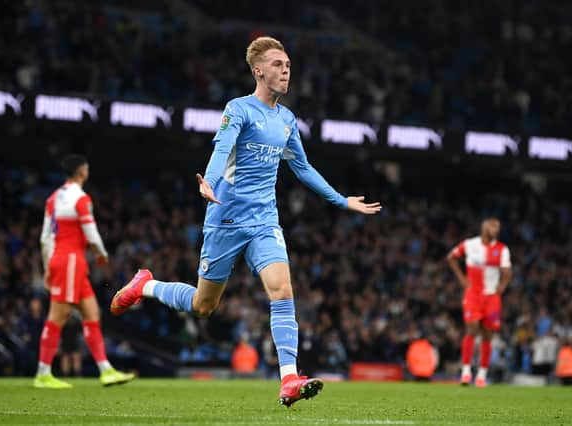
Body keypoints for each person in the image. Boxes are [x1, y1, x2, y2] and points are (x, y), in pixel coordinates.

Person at [111, 36, 381, 406]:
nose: (285, 70)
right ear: (258, 70)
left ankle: (289, 379)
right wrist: (209, 180)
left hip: (264, 220)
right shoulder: (239, 109)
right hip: (225, 218)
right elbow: (222, 147)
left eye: (287, 64)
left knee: (282, 290)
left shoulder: (286, 119)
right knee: (204, 306)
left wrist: (341, 200)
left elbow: (301, 167)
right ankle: (146, 286)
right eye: (276, 64)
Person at [35, 154, 135, 388]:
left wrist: (48, 266)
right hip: (71, 261)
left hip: (64, 261)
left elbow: (44, 238)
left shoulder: (53, 198)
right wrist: (102, 254)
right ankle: (42, 373)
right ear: (82, 172)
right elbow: (91, 233)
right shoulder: (81, 199)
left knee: (92, 314)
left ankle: (106, 370)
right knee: (58, 316)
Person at [447, 217, 512, 387]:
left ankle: (482, 374)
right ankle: (466, 371)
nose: (495, 230)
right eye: (492, 227)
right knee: (472, 327)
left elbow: (507, 271)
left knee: (487, 335)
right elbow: (451, 258)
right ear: (484, 228)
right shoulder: (470, 245)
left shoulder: (502, 249)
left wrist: (502, 286)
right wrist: (462, 278)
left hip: (492, 297)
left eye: (497, 227)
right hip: (473, 295)